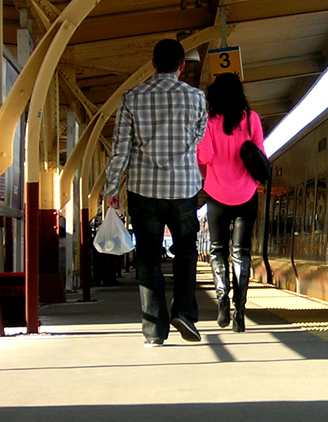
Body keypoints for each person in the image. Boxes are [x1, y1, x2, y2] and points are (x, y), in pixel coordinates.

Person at [104, 39, 207, 347]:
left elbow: (120, 148)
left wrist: (111, 190)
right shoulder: (196, 97)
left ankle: (153, 331)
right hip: (184, 188)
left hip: (143, 190)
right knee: (186, 250)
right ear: (182, 67)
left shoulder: (131, 98)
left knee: (148, 258)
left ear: (152, 63)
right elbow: (199, 135)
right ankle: (184, 312)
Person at [197, 73, 264, 333]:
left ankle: (223, 301)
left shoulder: (210, 122)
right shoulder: (252, 119)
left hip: (217, 195)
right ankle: (240, 310)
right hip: (247, 195)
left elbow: (204, 155)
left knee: (217, 251)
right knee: (241, 252)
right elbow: (259, 153)